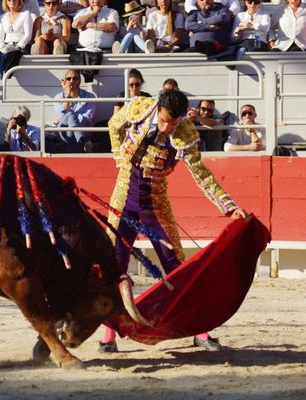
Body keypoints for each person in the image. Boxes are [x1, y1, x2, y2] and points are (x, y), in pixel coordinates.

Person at [100, 90, 248, 353]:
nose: (168, 127)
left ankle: (199, 331)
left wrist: (229, 206)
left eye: (174, 123)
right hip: (124, 197)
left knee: (175, 266)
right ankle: (109, 335)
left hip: (156, 203)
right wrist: (119, 157)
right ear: (159, 109)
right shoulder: (140, 108)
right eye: (165, 120)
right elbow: (114, 125)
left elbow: (201, 173)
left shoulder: (186, 134)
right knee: (114, 264)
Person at [70, 0, 118, 81]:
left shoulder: (112, 12)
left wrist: (91, 25)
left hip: (106, 54)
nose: (96, 0)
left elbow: (111, 27)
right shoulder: (81, 12)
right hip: (83, 53)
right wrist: (94, 13)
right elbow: (75, 24)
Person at [52, 69, 96, 153]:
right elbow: (63, 115)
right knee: (69, 117)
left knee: (70, 129)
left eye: (75, 78)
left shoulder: (90, 96)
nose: (71, 81)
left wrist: (72, 119)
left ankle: (78, 146)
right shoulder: (59, 97)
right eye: (68, 79)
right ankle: (82, 142)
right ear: (64, 81)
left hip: (82, 130)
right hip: (63, 132)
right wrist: (68, 94)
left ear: (79, 81)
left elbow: (89, 117)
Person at [0, 0, 33, 79]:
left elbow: (28, 35)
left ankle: (5, 72)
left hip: (21, 47)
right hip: (6, 46)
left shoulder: (25, 14)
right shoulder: (3, 17)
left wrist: (19, 45)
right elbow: (0, 36)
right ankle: (1, 72)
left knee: (9, 52)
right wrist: (1, 47)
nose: (12, 1)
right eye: (9, 0)